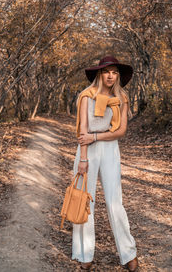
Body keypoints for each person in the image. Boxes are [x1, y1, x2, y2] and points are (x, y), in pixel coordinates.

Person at [72, 56, 138, 271]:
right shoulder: (86, 96)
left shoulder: (121, 97)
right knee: (84, 201)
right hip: (86, 151)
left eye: (115, 72)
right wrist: (83, 158)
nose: (111, 76)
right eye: (107, 71)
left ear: (118, 76)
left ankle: (128, 253)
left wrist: (97, 138)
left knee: (114, 201)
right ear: (99, 74)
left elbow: (121, 131)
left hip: (109, 148)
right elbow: (83, 130)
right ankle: (85, 253)